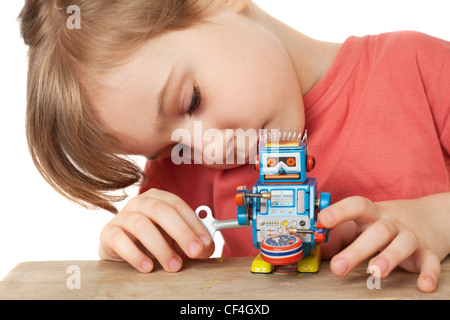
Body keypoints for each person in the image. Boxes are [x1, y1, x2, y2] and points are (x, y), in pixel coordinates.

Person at [19, 0, 449, 293]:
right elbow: (164, 278)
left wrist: (436, 219)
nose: (208, 149)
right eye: (168, 149)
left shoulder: (420, 69)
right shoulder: (183, 175)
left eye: (191, 102)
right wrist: (126, 253)